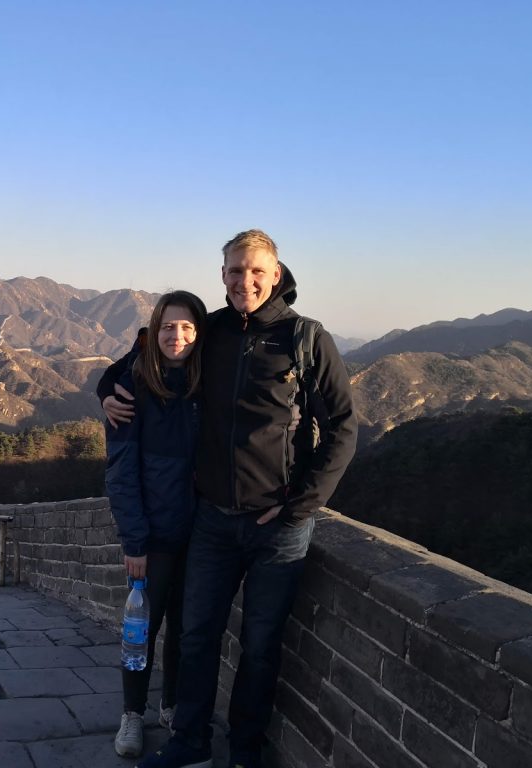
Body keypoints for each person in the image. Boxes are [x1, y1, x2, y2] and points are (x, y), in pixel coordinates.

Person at [100, 230, 357, 768]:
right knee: (196, 636)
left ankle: (244, 752)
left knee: (259, 646)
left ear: (276, 274)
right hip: (213, 520)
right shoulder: (211, 330)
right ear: (223, 275)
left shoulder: (306, 338)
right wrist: (106, 391)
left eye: (257, 271)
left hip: (278, 528)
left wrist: (300, 505)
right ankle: (190, 743)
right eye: (236, 271)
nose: (246, 281)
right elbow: (140, 360)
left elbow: (342, 428)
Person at [107, 290, 207, 758]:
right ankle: (132, 713)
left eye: (187, 327)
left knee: (186, 630)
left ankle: (171, 705)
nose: (177, 335)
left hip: (203, 535)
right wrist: (135, 541)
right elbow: (121, 472)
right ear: (154, 330)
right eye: (168, 326)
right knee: (141, 630)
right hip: (154, 537)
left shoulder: (207, 385)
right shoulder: (133, 387)